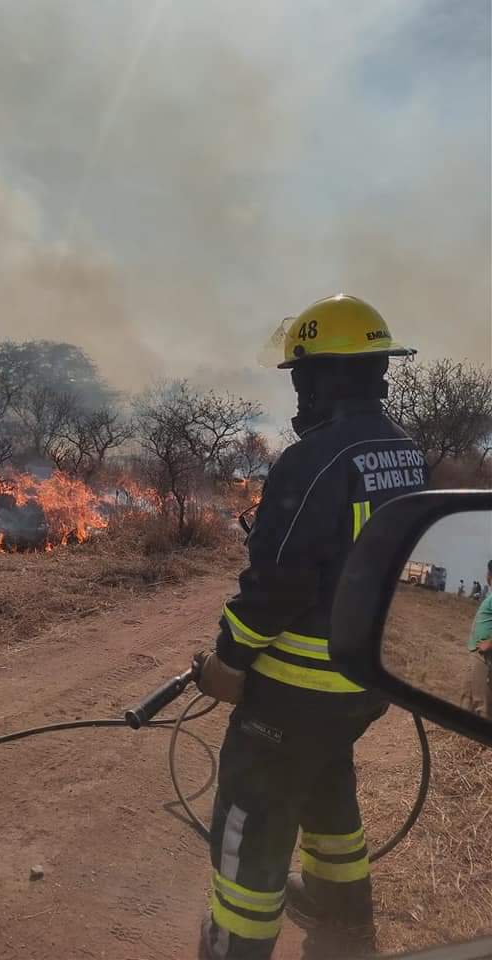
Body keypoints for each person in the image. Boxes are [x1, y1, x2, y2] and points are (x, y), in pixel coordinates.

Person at [194, 294, 428, 960]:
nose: (298, 392)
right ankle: (342, 906)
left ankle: (233, 942)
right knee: (327, 781)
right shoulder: (407, 454)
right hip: (365, 682)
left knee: (253, 814)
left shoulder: (311, 459)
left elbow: (278, 585)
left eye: (301, 377)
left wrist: (229, 660)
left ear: (320, 377)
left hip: (294, 692)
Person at [461, 561, 492, 717]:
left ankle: (481, 737)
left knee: (480, 701)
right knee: (467, 695)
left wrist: (489, 643)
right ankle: (460, 732)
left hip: (483, 655)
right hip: (475, 652)